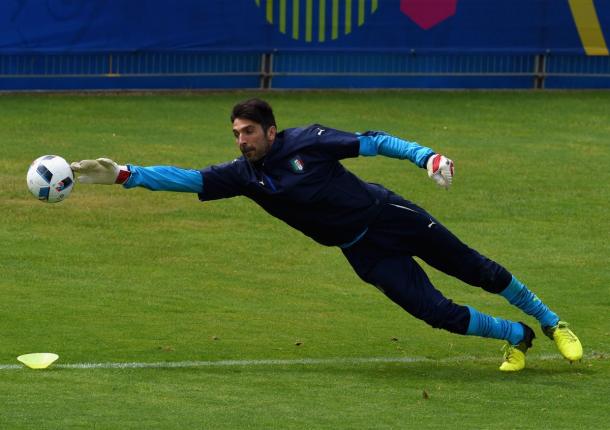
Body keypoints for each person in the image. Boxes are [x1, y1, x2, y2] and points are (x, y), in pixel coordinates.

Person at [71, 98, 582, 371]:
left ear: (271, 131)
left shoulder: (309, 141)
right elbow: (187, 179)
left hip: (390, 215)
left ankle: (553, 322)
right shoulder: (243, 175)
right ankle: (516, 336)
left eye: (248, 132)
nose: (241, 140)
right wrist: (124, 175)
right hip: (361, 250)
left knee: (480, 271)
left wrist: (427, 156)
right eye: (235, 134)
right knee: (435, 312)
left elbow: (374, 141)